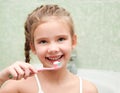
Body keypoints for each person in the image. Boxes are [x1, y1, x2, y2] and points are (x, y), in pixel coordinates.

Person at [0, 4, 98, 93]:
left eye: (60, 39)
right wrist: (1, 78)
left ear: (73, 41)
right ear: (33, 47)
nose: (53, 49)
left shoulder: (88, 89)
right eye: (43, 41)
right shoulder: (17, 86)